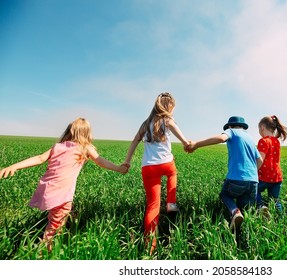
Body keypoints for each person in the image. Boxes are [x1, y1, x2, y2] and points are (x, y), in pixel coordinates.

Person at [0, 117, 127, 252]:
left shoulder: (57, 147)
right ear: (87, 134)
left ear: (70, 131)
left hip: (47, 190)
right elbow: (100, 161)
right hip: (61, 194)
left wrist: (14, 166)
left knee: (56, 217)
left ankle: (51, 241)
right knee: (55, 227)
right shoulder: (85, 148)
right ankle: (44, 252)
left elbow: (39, 158)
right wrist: (118, 168)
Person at [122, 92, 189, 254]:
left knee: (153, 206)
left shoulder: (145, 124)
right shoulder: (168, 120)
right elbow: (182, 138)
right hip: (166, 164)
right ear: (168, 107)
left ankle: (149, 247)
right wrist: (187, 144)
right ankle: (171, 203)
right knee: (173, 174)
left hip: (149, 168)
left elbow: (134, 142)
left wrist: (127, 161)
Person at [186, 116, 262, 233]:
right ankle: (242, 236)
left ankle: (234, 212)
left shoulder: (231, 131)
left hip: (236, 178)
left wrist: (196, 144)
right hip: (253, 181)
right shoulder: (250, 138)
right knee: (245, 210)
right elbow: (260, 160)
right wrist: (251, 174)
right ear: (243, 126)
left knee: (224, 195)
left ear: (230, 126)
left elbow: (221, 138)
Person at [256, 115, 287, 219]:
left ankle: (261, 206)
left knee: (253, 189)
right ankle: (281, 218)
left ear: (262, 127)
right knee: (275, 200)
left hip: (264, 176)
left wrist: (253, 171)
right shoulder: (276, 141)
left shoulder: (263, 141)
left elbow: (260, 159)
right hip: (277, 177)